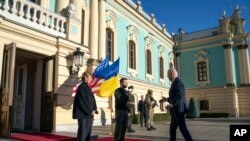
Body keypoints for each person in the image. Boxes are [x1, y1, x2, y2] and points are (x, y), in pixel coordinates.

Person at [166, 68, 193, 141]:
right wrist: (166, 99)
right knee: (172, 129)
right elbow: (174, 96)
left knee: (183, 129)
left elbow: (180, 96)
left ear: (171, 74)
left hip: (178, 109)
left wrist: (171, 104)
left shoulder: (178, 82)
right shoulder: (175, 82)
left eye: (168, 75)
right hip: (175, 109)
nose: (167, 77)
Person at [72, 72, 97, 141]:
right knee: (83, 135)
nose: (91, 80)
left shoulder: (87, 87)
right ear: (85, 78)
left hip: (89, 114)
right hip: (83, 114)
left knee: (87, 134)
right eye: (90, 78)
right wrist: (90, 111)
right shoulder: (81, 87)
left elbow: (92, 99)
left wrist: (94, 109)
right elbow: (82, 102)